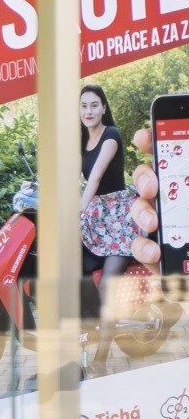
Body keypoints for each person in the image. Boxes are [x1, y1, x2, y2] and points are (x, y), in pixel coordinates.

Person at [78, 83, 135, 370]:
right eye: (83, 106)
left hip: (118, 217)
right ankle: (91, 324)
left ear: (103, 107)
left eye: (93, 105)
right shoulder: (81, 141)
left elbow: (96, 178)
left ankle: (100, 359)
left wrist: (78, 210)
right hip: (96, 215)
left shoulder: (111, 135)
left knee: (107, 285)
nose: (88, 111)